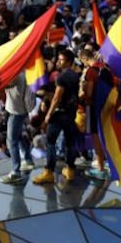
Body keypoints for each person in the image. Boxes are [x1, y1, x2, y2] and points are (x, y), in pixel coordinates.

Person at [33, 50, 79, 184]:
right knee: (70, 143)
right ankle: (70, 169)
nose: (59, 62)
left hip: (59, 114)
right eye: (58, 59)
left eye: (62, 60)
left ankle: (49, 172)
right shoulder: (75, 76)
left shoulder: (61, 77)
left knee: (51, 142)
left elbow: (57, 97)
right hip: (71, 113)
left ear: (69, 61)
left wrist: (48, 115)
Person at [78, 49, 110, 180]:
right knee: (104, 135)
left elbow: (89, 93)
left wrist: (82, 90)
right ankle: (105, 162)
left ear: (85, 59)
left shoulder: (91, 71)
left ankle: (100, 168)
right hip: (105, 106)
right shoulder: (104, 68)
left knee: (96, 136)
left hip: (93, 107)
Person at [0, 73, 35, 184]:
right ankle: (28, 160)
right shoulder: (23, 71)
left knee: (11, 141)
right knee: (18, 136)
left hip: (16, 110)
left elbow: (5, 83)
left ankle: (16, 172)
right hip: (18, 108)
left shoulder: (16, 74)